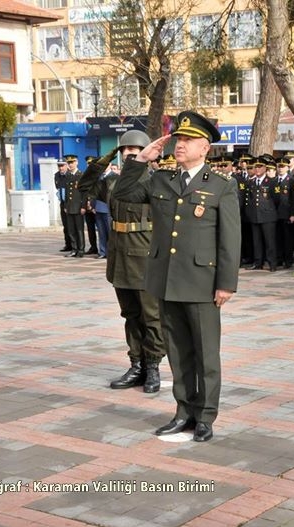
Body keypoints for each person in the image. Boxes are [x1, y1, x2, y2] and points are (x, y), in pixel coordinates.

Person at [112, 110, 241, 442]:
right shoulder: (161, 179)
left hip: (202, 284)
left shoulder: (222, 186)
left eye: (187, 140)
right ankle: (183, 411)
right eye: (178, 139)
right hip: (166, 281)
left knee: (205, 355)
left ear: (205, 148)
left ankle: (205, 417)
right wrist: (141, 159)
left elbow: (230, 238)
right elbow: (123, 193)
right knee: (179, 354)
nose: (179, 145)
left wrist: (226, 283)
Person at [78, 130, 167, 393]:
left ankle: (153, 367)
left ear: (146, 154)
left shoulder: (157, 182)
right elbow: (85, 185)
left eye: (135, 149)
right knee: (130, 315)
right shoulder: (112, 183)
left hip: (146, 258)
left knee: (151, 318)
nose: (130, 153)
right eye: (125, 149)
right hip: (120, 259)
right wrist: (107, 157)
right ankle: (136, 364)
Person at [246, 155, 279, 271]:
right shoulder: (251, 182)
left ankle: (272, 263)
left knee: (270, 241)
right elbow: (250, 199)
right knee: (257, 241)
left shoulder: (271, 182)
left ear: (265, 168)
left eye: (260, 167)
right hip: (255, 215)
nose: (257, 169)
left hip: (268, 215)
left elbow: (276, 199)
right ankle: (258, 262)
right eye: (255, 167)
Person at [62, 154, 86, 257]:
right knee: (71, 230)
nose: (70, 165)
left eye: (72, 162)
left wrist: (83, 206)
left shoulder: (81, 175)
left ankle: (81, 249)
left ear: (77, 162)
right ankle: (74, 248)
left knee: (79, 230)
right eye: (69, 163)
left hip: (78, 206)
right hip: (70, 206)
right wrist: (66, 206)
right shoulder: (67, 176)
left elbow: (85, 192)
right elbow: (67, 193)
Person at [54, 160, 72, 252]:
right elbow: (57, 187)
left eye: (62, 166)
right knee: (65, 226)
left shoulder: (70, 175)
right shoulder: (57, 175)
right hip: (62, 203)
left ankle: (74, 245)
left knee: (72, 225)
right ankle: (68, 244)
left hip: (70, 203)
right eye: (59, 166)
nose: (61, 168)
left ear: (66, 166)